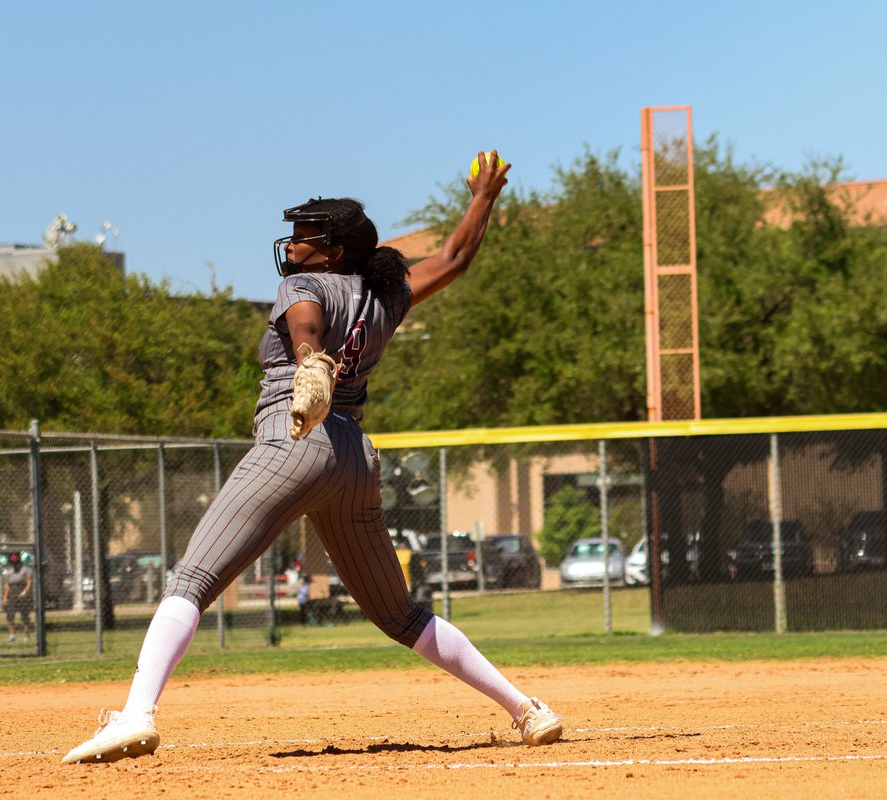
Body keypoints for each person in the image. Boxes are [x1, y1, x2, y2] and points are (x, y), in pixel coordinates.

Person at [63, 151, 562, 765]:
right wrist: (485, 194)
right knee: (400, 614)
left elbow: (306, 322)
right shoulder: (388, 296)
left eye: (308, 235)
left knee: (190, 581)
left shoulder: (305, 285)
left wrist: (308, 358)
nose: (295, 243)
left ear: (335, 251)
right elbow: (456, 257)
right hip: (353, 459)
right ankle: (527, 709)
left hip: (295, 439)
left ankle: (136, 714)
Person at [1, 552, 33, 644]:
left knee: (25, 616)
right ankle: (12, 636)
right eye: (13, 562)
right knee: (10, 616)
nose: (15, 564)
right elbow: (7, 585)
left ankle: (26, 636)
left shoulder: (26, 569)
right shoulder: (10, 570)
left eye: (16, 562)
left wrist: (24, 592)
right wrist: (5, 597)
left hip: (22, 592)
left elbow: (29, 583)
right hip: (12, 593)